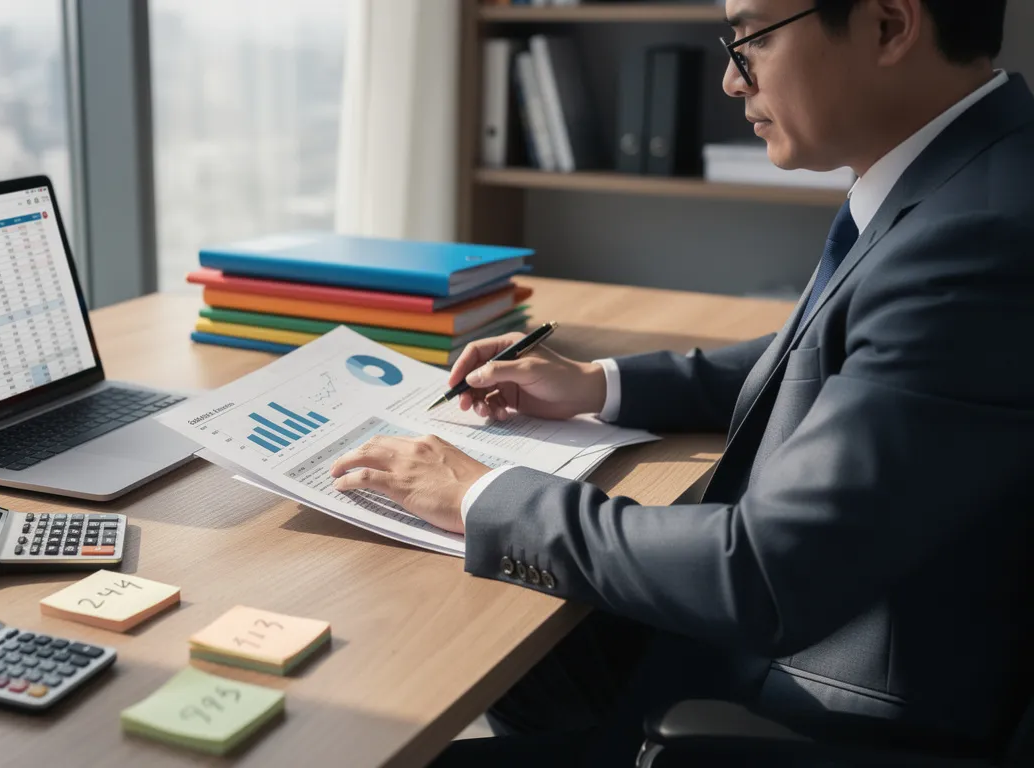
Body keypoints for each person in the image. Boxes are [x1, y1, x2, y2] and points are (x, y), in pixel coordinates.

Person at [329, 0, 1034, 763]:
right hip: (822, 635)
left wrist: (475, 495)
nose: (733, 80)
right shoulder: (973, 173)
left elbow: (762, 575)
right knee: (468, 619)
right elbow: (837, 355)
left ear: (890, 26)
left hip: (809, 704)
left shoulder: (977, 240)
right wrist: (601, 384)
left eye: (752, 37)